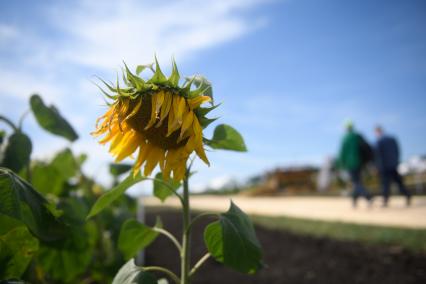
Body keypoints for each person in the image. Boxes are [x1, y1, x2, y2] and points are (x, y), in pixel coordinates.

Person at [338, 121, 373, 207]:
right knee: (357, 182)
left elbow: (342, 152)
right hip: (360, 162)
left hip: (351, 163)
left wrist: (340, 164)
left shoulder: (345, 138)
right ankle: (354, 201)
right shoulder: (357, 136)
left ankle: (368, 196)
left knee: (356, 182)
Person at [374, 126, 411, 207]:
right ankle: (407, 194)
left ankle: (385, 200)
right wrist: (396, 161)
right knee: (399, 182)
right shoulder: (392, 139)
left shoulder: (379, 142)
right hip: (393, 164)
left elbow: (377, 156)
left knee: (385, 184)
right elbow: (397, 151)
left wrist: (377, 167)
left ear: (377, 132)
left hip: (384, 166)